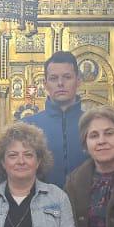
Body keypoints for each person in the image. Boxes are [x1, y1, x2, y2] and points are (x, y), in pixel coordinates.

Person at [23, 51, 86, 187]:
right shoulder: (28, 126)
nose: (60, 83)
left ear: (78, 80)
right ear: (45, 84)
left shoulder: (92, 124)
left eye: (67, 77)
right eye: (53, 78)